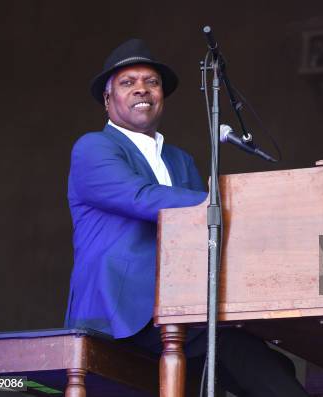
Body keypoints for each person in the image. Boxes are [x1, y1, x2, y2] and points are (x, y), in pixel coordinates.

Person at [64, 38, 308, 396]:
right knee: (236, 352)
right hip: (122, 310)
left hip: (177, 309)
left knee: (271, 363)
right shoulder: (93, 147)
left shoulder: (180, 161)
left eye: (151, 81)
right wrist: (230, 203)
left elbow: (203, 235)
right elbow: (141, 197)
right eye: (127, 83)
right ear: (107, 98)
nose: (141, 89)